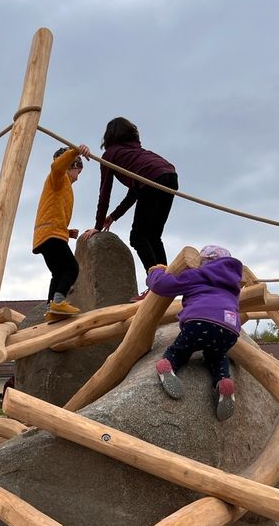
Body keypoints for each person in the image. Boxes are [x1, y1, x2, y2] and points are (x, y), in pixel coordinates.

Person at [146, 245, 243, 421]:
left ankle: (168, 366)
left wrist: (154, 272)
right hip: (230, 329)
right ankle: (223, 381)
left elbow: (163, 285)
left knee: (181, 350)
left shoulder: (199, 275)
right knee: (217, 356)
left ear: (202, 262)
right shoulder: (233, 287)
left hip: (199, 321)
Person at [81, 117, 178, 279]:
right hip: (170, 175)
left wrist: (98, 225)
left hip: (153, 180)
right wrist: (113, 216)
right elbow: (135, 193)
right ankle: (167, 280)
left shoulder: (110, 155)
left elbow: (105, 193)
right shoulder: (135, 154)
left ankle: (157, 281)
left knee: (138, 237)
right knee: (153, 236)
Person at [32, 143, 91, 316]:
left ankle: (51, 308)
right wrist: (74, 152)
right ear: (70, 166)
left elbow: (53, 214)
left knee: (58, 273)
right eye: (78, 172)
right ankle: (58, 302)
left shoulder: (60, 187)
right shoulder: (58, 178)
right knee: (71, 268)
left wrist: (67, 231)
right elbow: (57, 165)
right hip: (51, 235)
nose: (77, 178)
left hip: (46, 235)